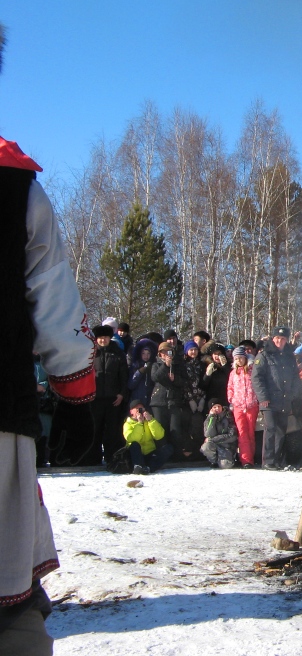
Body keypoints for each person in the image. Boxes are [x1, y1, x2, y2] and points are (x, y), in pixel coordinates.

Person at [0, 136, 96, 655]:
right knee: (9, 610)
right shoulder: (13, 186)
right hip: (0, 423)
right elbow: (56, 305)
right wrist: (75, 395)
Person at [251, 326, 302, 470]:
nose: (279, 341)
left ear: (286, 340)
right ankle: (268, 460)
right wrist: (263, 397)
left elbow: (295, 378)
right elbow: (256, 378)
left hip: (285, 399)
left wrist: (292, 395)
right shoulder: (264, 355)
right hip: (269, 400)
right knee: (271, 428)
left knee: (281, 430)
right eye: (277, 338)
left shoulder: (289, 356)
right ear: (273, 339)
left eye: (283, 339)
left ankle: (277, 459)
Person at [89, 324, 129, 467]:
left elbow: (124, 376)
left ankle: (112, 457)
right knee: (95, 429)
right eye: (100, 338)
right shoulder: (91, 353)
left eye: (105, 337)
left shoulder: (118, 353)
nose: (102, 340)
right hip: (95, 398)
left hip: (113, 398)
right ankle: (93, 458)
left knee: (112, 430)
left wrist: (121, 394)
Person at [149, 341, 185, 457]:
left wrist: (175, 379)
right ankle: (162, 454)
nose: (166, 354)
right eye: (163, 352)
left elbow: (183, 382)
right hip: (159, 401)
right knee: (160, 429)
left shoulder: (178, 366)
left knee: (175, 429)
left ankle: (176, 454)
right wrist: (165, 366)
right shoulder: (156, 365)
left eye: (168, 352)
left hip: (174, 400)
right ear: (160, 354)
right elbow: (155, 377)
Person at [228, 346, 259, 469]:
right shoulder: (233, 373)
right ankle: (246, 460)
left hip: (251, 405)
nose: (239, 360)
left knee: (251, 432)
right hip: (238, 406)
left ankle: (252, 457)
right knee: (242, 432)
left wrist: (256, 399)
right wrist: (231, 399)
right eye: (236, 358)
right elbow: (230, 387)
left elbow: (257, 385)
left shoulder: (252, 371)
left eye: (241, 358)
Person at [122, 401, 173, 474]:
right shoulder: (128, 424)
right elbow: (131, 439)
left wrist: (151, 421)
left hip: (149, 453)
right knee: (134, 444)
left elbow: (159, 436)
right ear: (131, 411)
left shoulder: (149, 420)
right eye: (137, 408)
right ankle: (138, 466)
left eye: (141, 408)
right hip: (135, 455)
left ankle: (148, 468)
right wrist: (139, 424)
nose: (139, 410)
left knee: (168, 448)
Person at [200, 401, 238, 469]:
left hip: (227, 445)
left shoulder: (229, 416)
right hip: (215, 445)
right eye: (214, 407)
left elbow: (232, 435)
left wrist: (213, 439)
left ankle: (230, 458)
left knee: (226, 465)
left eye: (219, 406)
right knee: (206, 447)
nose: (217, 408)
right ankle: (214, 461)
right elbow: (208, 434)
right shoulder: (208, 419)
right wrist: (212, 418)